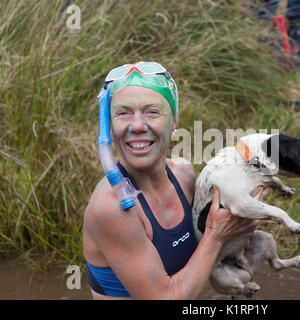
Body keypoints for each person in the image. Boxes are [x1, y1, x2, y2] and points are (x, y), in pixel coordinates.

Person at [83, 62, 262, 299]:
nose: (137, 125)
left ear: (174, 123)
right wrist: (217, 234)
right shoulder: (110, 208)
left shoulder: (184, 174)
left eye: (152, 112)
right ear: (108, 129)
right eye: (123, 113)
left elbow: (207, 250)